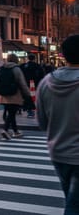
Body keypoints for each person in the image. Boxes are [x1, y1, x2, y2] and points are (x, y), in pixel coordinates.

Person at [36, 33, 79, 215]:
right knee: (74, 205)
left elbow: (42, 122)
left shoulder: (46, 82)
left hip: (58, 151)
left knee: (71, 198)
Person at [0, 53, 31, 140]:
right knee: (12, 113)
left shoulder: (1, 68)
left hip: (3, 95)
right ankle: (5, 130)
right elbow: (22, 83)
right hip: (14, 94)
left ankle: (15, 131)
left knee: (11, 113)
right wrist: (27, 94)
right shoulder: (16, 69)